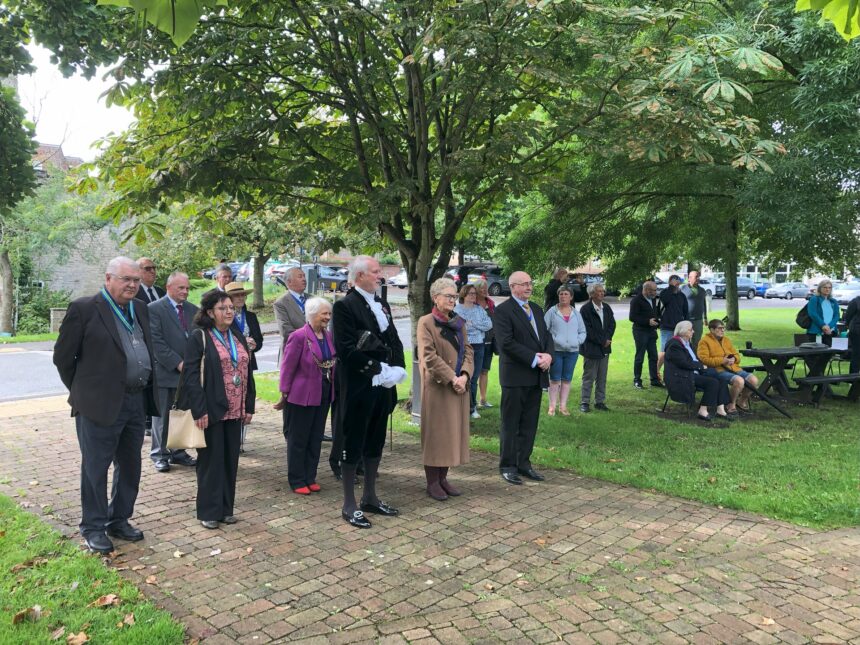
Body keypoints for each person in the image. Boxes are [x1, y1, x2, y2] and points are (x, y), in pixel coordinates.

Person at [53, 256, 159, 554]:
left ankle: (119, 519)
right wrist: (85, 392)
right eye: (126, 279)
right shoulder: (84, 309)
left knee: (130, 465)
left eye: (136, 280)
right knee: (96, 468)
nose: (132, 285)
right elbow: (63, 359)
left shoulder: (139, 308)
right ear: (108, 278)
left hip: (136, 401)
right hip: (98, 405)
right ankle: (93, 526)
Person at [332, 255, 406, 528]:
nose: (380, 276)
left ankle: (370, 497)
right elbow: (346, 350)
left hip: (382, 386)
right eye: (375, 272)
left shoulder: (382, 303)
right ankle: (349, 504)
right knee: (353, 442)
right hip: (358, 386)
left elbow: (394, 339)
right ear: (360, 275)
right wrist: (377, 368)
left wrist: (398, 368)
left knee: (375, 440)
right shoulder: (344, 306)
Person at [177, 290, 255, 529]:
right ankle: (208, 512)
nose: (229, 311)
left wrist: (249, 405)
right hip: (211, 410)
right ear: (210, 312)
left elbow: (247, 372)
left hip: (235, 409)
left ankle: (225, 509)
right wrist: (199, 411)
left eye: (231, 307)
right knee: (211, 461)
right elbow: (191, 378)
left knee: (230, 460)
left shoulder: (237, 336)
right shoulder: (199, 337)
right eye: (223, 308)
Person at [493, 271, 553, 485]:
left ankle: (524, 463)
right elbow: (506, 343)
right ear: (513, 287)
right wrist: (535, 359)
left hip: (536, 377)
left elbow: (546, 336)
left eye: (530, 283)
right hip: (515, 376)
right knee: (511, 423)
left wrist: (548, 355)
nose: (529, 287)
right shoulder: (502, 311)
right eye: (524, 284)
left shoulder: (536, 309)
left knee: (529, 423)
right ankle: (508, 465)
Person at [417, 278, 474, 500]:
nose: (452, 300)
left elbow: (469, 351)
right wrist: (452, 378)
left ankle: (443, 479)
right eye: (448, 296)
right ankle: (432, 482)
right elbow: (429, 357)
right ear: (435, 297)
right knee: (437, 435)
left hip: (459, 386)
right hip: (440, 387)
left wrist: (465, 375)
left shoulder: (459, 322)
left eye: (454, 296)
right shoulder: (426, 322)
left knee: (451, 434)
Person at [278, 297, 335, 495]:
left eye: (329, 313)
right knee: (298, 438)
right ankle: (297, 479)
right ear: (312, 315)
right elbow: (287, 366)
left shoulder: (327, 335)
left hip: (324, 392)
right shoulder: (299, 336)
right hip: (301, 395)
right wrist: (284, 392)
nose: (328, 317)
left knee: (315, 437)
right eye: (324, 314)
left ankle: (310, 477)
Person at [148, 271, 198, 473]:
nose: (185, 291)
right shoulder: (154, 309)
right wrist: (177, 363)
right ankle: (160, 455)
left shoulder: (193, 310)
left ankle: (178, 451)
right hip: (165, 372)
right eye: (181, 288)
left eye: (187, 288)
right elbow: (155, 341)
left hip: (188, 374)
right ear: (169, 287)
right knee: (162, 416)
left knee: (183, 414)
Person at [664, 320, 731, 422]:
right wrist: (700, 366)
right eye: (691, 330)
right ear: (683, 332)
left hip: (693, 371)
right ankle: (703, 410)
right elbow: (683, 363)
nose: (693, 332)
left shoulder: (686, 343)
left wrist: (701, 366)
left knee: (720, 377)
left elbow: (693, 360)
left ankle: (720, 409)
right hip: (682, 375)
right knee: (712, 383)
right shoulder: (674, 345)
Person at [225, 282, 263, 452]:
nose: (240, 298)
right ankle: (229, 438)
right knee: (232, 398)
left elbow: (260, 340)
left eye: (243, 295)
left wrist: (254, 344)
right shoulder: (225, 316)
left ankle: (240, 440)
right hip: (230, 365)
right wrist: (241, 341)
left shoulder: (251, 316)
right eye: (236, 295)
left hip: (247, 364)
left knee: (247, 398)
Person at [697, 318, 760, 415]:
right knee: (739, 381)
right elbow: (704, 360)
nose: (723, 330)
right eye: (720, 328)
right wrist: (722, 361)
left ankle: (741, 401)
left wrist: (734, 359)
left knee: (753, 380)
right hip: (717, 370)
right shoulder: (704, 341)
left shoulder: (726, 340)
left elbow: (737, 355)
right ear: (712, 330)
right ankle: (731, 404)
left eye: (723, 328)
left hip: (734, 368)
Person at [544, 285, 586, 416]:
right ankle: (552, 407)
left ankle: (563, 407)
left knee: (567, 380)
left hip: (572, 352)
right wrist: (554, 341)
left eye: (566, 294)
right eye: (561, 294)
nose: (563, 296)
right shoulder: (552, 312)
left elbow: (582, 331)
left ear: (571, 297)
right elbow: (545, 330)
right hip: (556, 351)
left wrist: (577, 341)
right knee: (555, 379)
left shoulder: (576, 314)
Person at [453, 283, 492, 419]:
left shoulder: (479, 309)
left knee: (474, 377)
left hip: (479, 346)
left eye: (474, 294)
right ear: (464, 294)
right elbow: (458, 328)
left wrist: (473, 324)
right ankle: (459, 406)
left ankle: (472, 407)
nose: (473, 296)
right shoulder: (457, 310)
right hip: (463, 346)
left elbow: (488, 325)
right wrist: (469, 327)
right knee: (462, 375)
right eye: (470, 293)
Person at [579, 283, 615, 412]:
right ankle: (585, 402)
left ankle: (600, 401)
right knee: (589, 376)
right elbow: (586, 330)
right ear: (592, 294)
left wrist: (608, 339)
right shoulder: (585, 309)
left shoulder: (607, 308)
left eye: (603, 291)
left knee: (602, 376)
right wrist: (602, 341)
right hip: (591, 348)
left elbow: (612, 324)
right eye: (599, 291)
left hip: (605, 347)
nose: (602, 293)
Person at [629, 280, 662, 389]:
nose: (655, 293)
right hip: (640, 332)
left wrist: (657, 321)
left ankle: (654, 380)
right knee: (640, 356)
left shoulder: (652, 300)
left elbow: (653, 313)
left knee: (653, 356)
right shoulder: (636, 300)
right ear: (646, 290)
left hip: (651, 332)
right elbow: (632, 317)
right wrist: (647, 321)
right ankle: (637, 380)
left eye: (655, 290)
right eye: (653, 290)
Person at [657, 274, 688, 376]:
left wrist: (687, 325)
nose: (677, 283)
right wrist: (672, 289)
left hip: (678, 328)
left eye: (678, 281)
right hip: (666, 327)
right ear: (670, 282)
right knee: (664, 351)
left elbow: (685, 312)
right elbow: (663, 303)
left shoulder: (682, 296)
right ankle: (656, 371)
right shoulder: (665, 293)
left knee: (676, 351)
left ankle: (671, 372)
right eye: (675, 281)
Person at [474, 279, 496, 408]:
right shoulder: (472, 304)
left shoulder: (491, 304)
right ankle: (472, 400)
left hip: (489, 342)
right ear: (476, 290)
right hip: (476, 343)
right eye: (481, 288)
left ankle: (483, 399)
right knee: (474, 373)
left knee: (484, 371)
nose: (484, 290)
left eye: (486, 287)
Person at [681, 270, 708, 350]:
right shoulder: (683, 289)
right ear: (689, 278)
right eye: (696, 277)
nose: (698, 278)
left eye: (698, 277)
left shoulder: (702, 290)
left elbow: (704, 304)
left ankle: (695, 360)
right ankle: (686, 360)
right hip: (686, 320)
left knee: (697, 342)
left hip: (698, 320)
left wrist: (705, 317)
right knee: (685, 341)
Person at [844, 293, 860, 373]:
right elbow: (848, 316)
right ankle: (853, 378)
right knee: (857, 355)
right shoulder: (855, 301)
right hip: (856, 332)